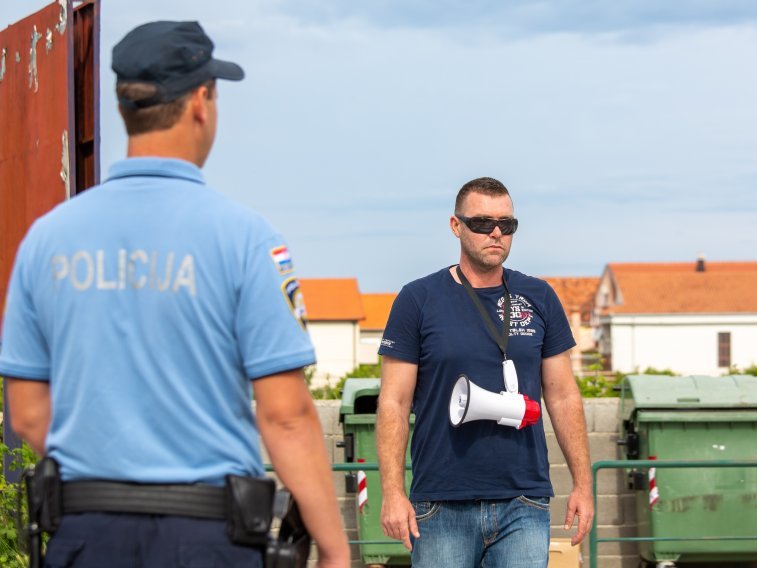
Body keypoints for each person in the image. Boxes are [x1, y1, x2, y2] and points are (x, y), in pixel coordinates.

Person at [0, 20, 349, 567]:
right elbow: (285, 415)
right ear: (202, 102)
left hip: (85, 534)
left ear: (124, 109)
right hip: (209, 537)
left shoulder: (46, 239)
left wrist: (105, 478)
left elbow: (25, 415)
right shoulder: (245, 238)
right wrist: (333, 549)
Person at [376, 177, 594, 567]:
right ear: (455, 226)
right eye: (481, 223)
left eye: (506, 225)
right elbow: (394, 401)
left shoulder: (539, 296)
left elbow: (563, 395)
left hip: (524, 502)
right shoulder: (417, 299)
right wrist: (392, 492)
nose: (496, 233)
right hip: (442, 503)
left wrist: (583, 484)